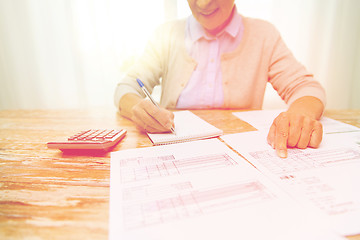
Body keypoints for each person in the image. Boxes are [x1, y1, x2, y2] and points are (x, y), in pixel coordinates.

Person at [114, 0, 326, 158]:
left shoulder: (264, 35)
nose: (203, 3)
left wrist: (299, 115)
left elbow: (306, 87)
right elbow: (127, 87)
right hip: (172, 151)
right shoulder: (166, 35)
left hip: (241, 154)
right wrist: (137, 108)